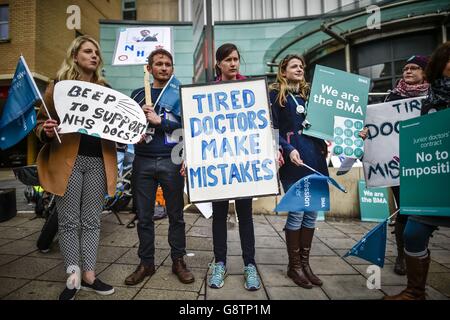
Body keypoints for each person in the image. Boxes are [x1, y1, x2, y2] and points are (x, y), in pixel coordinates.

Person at [35, 36, 117, 300]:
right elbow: (40, 125)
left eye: (96, 53)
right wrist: (46, 131)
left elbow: (115, 126)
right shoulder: (57, 87)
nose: (94, 56)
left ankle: (89, 275)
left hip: (97, 162)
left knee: (92, 221)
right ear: (75, 55)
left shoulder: (105, 89)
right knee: (69, 222)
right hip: (66, 161)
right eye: (87, 51)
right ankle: (73, 277)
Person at [384, 41, 450, 300]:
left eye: (415, 68)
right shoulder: (427, 99)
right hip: (429, 176)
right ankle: (415, 291)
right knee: (413, 231)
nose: (408, 71)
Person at [124, 48, 194, 286]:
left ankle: (178, 261)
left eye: (168, 64)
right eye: (159, 64)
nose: (164, 67)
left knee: (176, 216)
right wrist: (135, 134)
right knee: (143, 216)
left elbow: (188, 130)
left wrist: (160, 121)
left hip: (171, 160)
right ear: (149, 68)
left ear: (172, 69)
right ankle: (146, 263)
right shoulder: (136, 95)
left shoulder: (181, 94)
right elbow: (126, 128)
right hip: (142, 160)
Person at [360, 55, 429, 276]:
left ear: (425, 72)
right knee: (404, 209)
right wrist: (366, 132)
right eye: (406, 68)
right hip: (396, 164)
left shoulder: (434, 95)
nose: (408, 71)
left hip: (425, 163)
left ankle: (419, 251)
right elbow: (378, 126)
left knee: (424, 212)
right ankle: (402, 255)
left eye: (414, 68)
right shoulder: (392, 96)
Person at [270, 54, 328, 289]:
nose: (300, 69)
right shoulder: (276, 95)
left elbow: (325, 124)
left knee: (312, 213)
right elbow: (273, 129)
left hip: (315, 158)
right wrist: (288, 148)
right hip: (293, 161)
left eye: (302, 66)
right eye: (294, 66)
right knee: (297, 213)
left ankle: (305, 264)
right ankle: (294, 267)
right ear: (283, 71)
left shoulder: (310, 95)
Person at [206, 43, 261, 291]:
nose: (233, 63)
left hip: (243, 162)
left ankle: (249, 265)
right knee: (218, 216)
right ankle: (220, 262)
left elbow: (261, 123)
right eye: (227, 59)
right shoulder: (208, 91)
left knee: (245, 215)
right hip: (219, 163)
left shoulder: (250, 87)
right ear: (218, 64)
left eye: (236, 59)